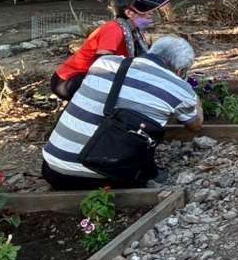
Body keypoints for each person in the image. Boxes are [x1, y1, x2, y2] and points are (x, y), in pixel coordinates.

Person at [40, 36, 202, 189]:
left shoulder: (105, 63)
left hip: (52, 169)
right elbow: (195, 125)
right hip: (104, 175)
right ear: (181, 71)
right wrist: (193, 95)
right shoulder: (178, 88)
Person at [51, 0, 168, 100]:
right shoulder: (114, 28)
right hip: (68, 80)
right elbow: (103, 61)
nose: (151, 14)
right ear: (129, 13)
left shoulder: (136, 32)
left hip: (88, 76)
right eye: (146, 11)